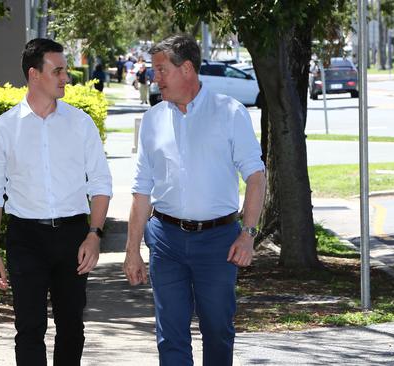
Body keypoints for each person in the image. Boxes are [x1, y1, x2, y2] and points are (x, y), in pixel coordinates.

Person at [123, 34, 266, 366]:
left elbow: (256, 177)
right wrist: (132, 251)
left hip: (218, 242)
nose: (154, 78)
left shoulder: (229, 113)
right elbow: (141, 190)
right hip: (165, 240)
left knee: (217, 330)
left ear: (186, 68)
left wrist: (248, 235)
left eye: (161, 70)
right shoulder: (152, 120)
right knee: (170, 335)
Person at [0, 38, 112, 366]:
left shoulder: (80, 124)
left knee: (72, 327)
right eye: (58, 71)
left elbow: (100, 183)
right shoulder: (2, 129)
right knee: (29, 328)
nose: (65, 77)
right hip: (26, 238)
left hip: (73, 236)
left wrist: (94, 235)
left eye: (64, 71)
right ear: (34, 75)